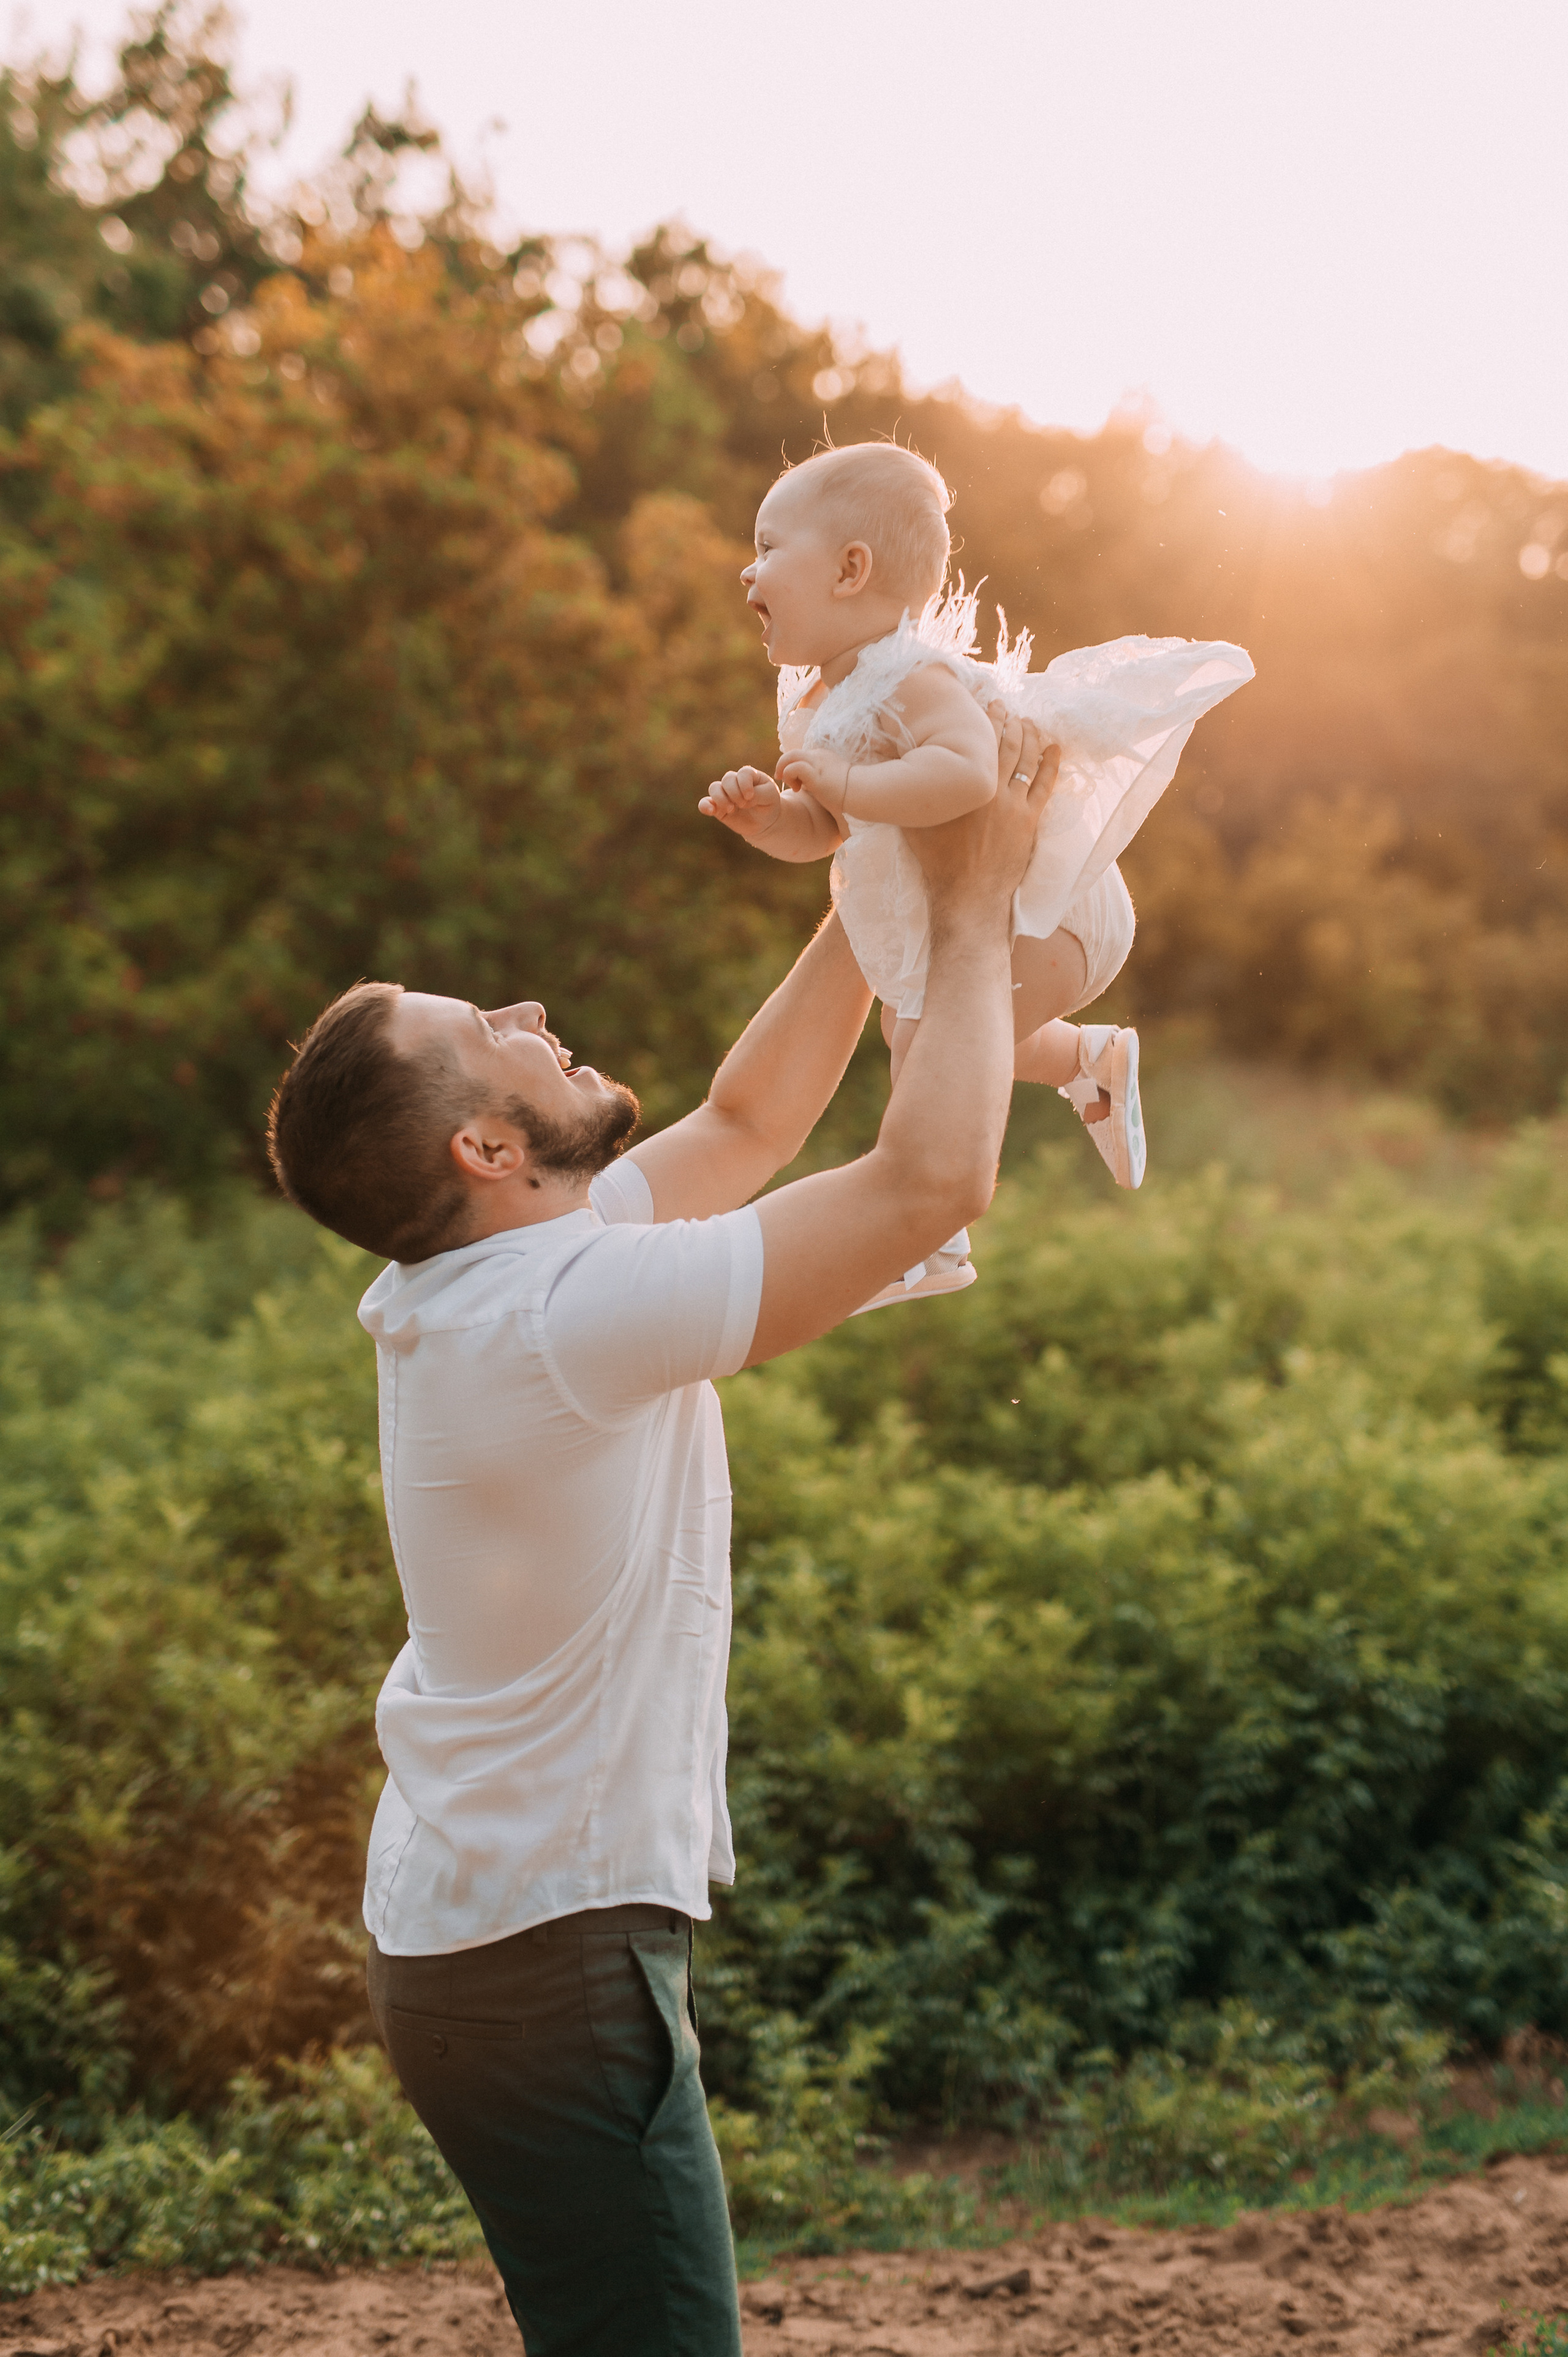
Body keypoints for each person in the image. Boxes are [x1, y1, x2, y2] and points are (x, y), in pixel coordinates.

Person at [263, 709, 1058, 2357]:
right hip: (544, 1960)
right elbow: (926, 1184)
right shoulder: (557, 1308)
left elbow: (754, 1123)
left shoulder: (488, 1268)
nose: (531, 1012)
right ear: (487, 1151)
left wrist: (884, 863)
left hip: (496, 1936)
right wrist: (973, 905)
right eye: (493, 1029)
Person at [699, 441, 1253, 1308]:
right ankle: (1089, 1060)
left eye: (769, 548)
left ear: (851, 570)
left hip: (1050, 913)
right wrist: (777, 820)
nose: (747, 571)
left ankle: (929, 1236)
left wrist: (845, 782)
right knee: (910, 1030)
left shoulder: (910, 678)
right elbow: (828, 832)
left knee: (925, 1042)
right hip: (990, 915)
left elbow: (968, 775)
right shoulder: (821, 704)